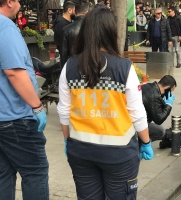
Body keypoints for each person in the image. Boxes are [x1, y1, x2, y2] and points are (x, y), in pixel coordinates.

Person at [57, 7, 153, 199]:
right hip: (119, 155)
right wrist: (146, 141)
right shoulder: (124, 68)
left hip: (81, 151)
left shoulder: (69, 66)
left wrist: (68, 141)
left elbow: (64, 111)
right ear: (110, 32)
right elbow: (137, 112)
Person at [0, 0, 48, 199]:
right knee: (35, 171)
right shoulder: (5, 28)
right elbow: (14, 72)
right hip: (16, 118)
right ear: (9, 2)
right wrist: (36, 106)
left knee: (3, 174)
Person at [141, 75, 177, 142]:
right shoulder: (155, 97)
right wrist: (168, 105)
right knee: (160, 131)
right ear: (167, 88)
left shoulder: (149, 86)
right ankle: (143, 142)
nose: (170, 94)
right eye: (171, 91)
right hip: (137, 124)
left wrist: (163, 102)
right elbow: (159, 120)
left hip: (133, 118)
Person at [61, 0, 90, 66]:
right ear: (87, 12)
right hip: (89, 66)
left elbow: (64, 55)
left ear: (75, 11)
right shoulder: (93, 28)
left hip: (73, 66)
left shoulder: (66, 29)